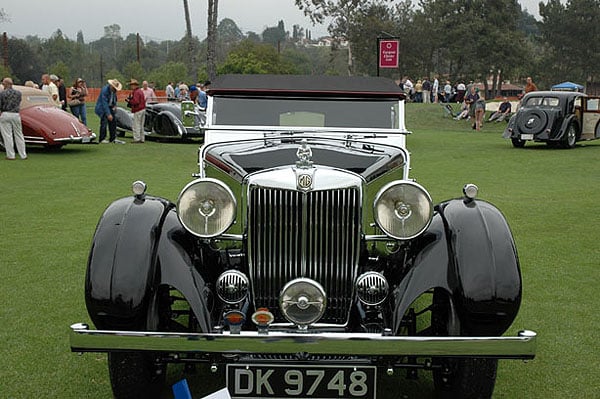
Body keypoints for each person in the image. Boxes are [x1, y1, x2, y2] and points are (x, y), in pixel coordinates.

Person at [0, 77, 27, 160]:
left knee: (7, 135)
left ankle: (11, 155)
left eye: (3, 84)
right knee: (19, 134)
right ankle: (23, 154)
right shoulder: (18, 93)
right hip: (16, 114)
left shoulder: (2, 94)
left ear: (6, 84)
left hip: (5, 113)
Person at [95, 79, 123, 144]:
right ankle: (102, 138)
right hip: (102, 108)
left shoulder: (114, 91)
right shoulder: (105, 90)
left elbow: (114, 99)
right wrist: (108, 114)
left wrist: (115, 105)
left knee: (113, 122)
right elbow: (104, 103)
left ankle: (113, 138)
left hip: (110, 107)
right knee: (104, 123)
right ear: (111, 86)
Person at [126, 79, 146, 143]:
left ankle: (137, 139)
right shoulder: (140, 91)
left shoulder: (136, 92)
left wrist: (129, 101)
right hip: (142, 109)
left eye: (131, 85)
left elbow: (136, 101)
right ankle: (142, 138)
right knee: (141, 125)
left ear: (134, 85)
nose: (131, 87)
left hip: (138, 109)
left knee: (136, 125)